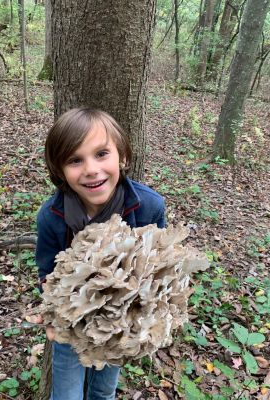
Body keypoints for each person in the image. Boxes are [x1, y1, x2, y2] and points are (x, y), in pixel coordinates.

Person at [36, 107, 166, 400]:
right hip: (72, 324)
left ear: (123, 157)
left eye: (101, 154)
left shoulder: (148, 207)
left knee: (104, 391)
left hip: (119, 327)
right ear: (59, 170)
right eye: (75, 160)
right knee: (66, 395)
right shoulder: (51, 217)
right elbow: (46, 271)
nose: (91, 169)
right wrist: (52, 313)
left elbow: (160, 267)